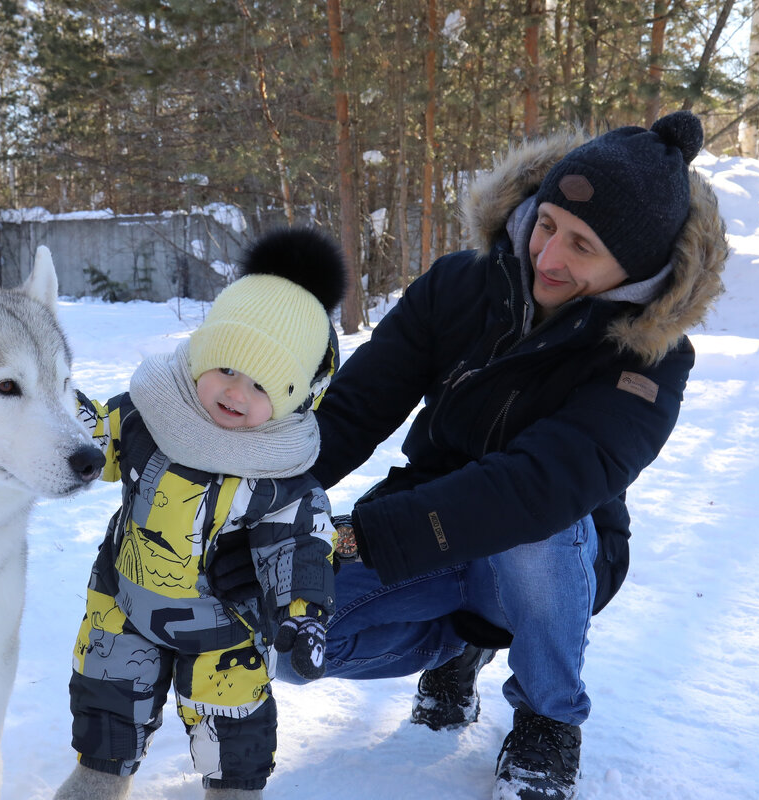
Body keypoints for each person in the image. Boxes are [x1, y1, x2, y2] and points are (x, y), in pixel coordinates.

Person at [268, 112, 728, 799]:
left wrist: (364, 535)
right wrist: (260, 500)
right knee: (292, 642)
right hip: (431, 523)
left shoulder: (650, 358)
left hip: (555, 552)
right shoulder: (459, 284)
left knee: (530, 533)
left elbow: (540, 487)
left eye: (582, 246)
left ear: (635, 268)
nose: (548, 258)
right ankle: (458, 645)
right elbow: (353, 410)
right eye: (547, 225)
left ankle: (548, 721)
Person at [55, 228, 345, 800]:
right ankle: (99, 777)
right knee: (108, 698)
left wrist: (304, 612)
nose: (236, 392)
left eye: (264, 384)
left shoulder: (278, 474)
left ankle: (232, 790)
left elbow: (302, 543)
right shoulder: (150, 414)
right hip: (126, 602)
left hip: (224, 627)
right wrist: (57, 412)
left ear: (293, 396)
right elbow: (94, 438)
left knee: (234, 723)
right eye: (227, 368)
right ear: (203, 354)